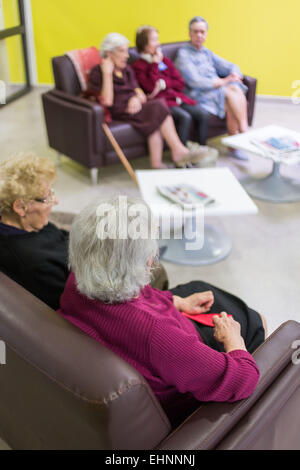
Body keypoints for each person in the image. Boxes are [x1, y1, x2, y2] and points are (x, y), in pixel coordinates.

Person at [58, 196, 266, 428]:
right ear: (145, 263)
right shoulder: (158, 336)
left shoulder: (79, 279)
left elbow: (136, 293)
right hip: (180, 371)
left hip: (149, 336)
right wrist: (233, 340)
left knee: (199, 286)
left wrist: (176, 302)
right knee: (255, 321)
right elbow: (243, 380)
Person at [0, 154, 169, 311]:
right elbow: (80, 303)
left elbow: (64, 238)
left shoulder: (26, 226)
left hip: (86, 263)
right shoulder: (34, 263)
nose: (55, 201)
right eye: (47, 197)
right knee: (157, 270)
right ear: (20, 207)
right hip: (98, 286)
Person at [88, 33, 199, 169]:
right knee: (158, 106)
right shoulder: (97, 72)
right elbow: (107, 102)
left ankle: (157, 164)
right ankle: (179, 150)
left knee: (156, 120)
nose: (127, 55)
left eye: (127, 51)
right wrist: (107, 73)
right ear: (109, 53)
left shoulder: (127, 70)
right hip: (119, 110)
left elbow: (140, 92)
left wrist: (136, 98)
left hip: (135, 107)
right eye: (122, 51)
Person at [175, 17, 250, 160]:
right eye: (195, 32)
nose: (199, 35)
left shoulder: (206, 52)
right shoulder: (183, 54)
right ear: (190, 33)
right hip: (197, 94)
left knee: (232, 92)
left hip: (215, 91)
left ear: (206, 34)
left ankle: (236, 142)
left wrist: (235, 75)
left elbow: (231, 66)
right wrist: (225, 81)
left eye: (202, 32)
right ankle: (243, 133)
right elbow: (196, 82)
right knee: (231, 90)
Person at [133, 25, 209, 146]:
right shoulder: (139, 66)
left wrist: (163, 84)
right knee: (185, 118)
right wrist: (155, 65)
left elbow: (180, 83)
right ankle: (182, 158)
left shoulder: (165, 61)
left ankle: (202, 149)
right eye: (154, 40)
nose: (158, 44)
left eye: (157, 39)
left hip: (175, 97)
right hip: (160, 102)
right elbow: (150, 88)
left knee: (203, 114)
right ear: (144, 44)